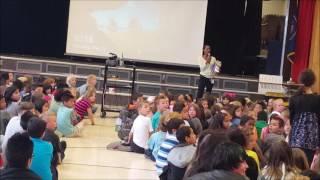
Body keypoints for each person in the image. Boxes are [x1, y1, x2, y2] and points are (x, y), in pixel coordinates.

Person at [289, 69, 320, 164]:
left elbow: (291, 121)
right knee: (306, 167)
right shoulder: (318, 99)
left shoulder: (294, 99)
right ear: (313, 82)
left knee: (294, 167)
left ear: (301, 81)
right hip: (312, 141)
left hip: (296, 139)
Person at [42, 112, 66, 180]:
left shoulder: (39, 132)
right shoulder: (54, 136)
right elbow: (58, 154)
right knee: (62, 147)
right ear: (47, 124)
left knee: (62, 144)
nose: (56, 123)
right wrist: (60, 161)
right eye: (55, 121)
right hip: (51, 160)